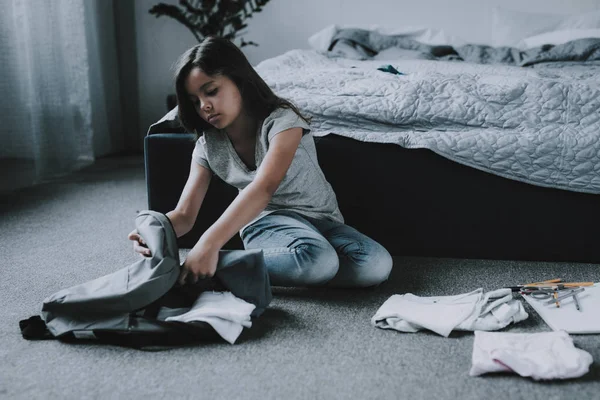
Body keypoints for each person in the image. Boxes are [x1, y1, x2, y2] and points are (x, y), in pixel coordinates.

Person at [129, 36, 393, 288]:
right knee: (318, 260)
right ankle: (213, 269)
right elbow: (185, 215)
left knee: (375, 265)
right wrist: (155, 233)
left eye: (211, 92)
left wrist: (207, 245)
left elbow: (264, 187)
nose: (204, 106)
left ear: (240, 81)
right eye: (195, 101)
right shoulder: (206, 146)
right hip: (266, 222)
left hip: (324, 221)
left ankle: (224, 267)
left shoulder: (282, 121)